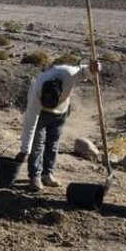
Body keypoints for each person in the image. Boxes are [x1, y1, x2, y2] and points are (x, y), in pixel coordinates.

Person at [16, 59, 101, 190]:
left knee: (53, 144)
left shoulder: (69, 74)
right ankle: (35, 177)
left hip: (61, 112)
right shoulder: (37, 89)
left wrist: (93, 69)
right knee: (37, 145)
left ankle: (47, 174)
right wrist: (24, 151)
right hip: (41, 113)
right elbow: (30, 124)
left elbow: (84, 72)